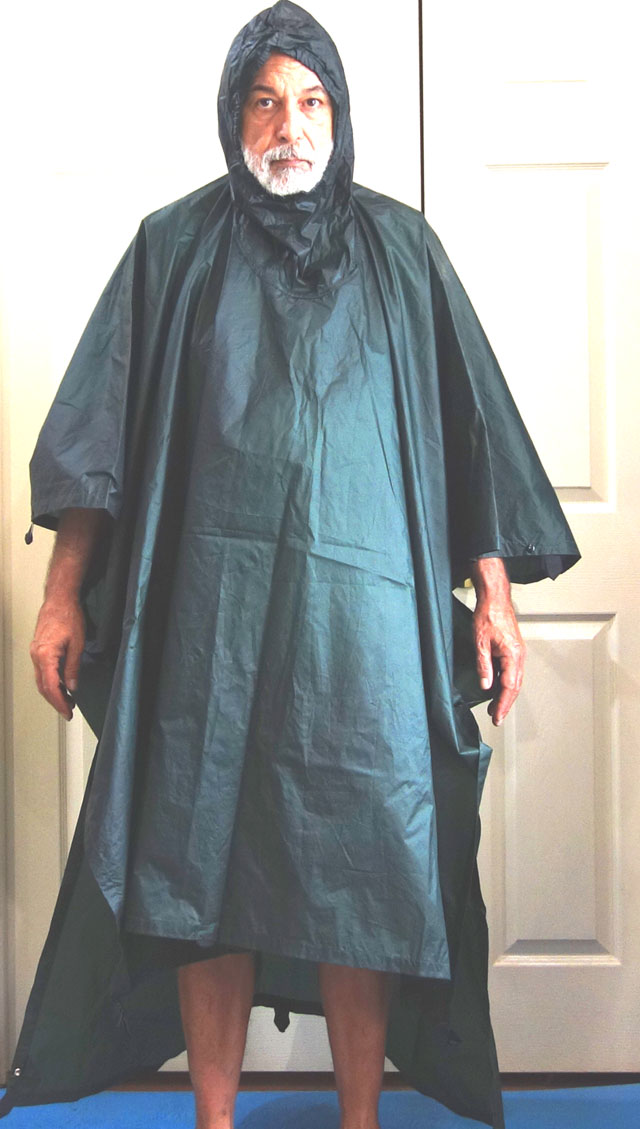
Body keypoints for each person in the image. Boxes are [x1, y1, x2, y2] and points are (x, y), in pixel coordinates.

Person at [1, 4, 580, 1129]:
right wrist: (62, 595)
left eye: (311, 101)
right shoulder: (172, 247)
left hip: (362, 631)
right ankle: (215, 1122)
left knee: (361, 876)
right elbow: (97, 439)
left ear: (340, 114)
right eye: (265, 102)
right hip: (204, 629)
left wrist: (496, 598)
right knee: (197, 878)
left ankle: (359, 1119)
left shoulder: (402, 251)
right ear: (233, 116)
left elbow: (468, 437)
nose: (290, 126)